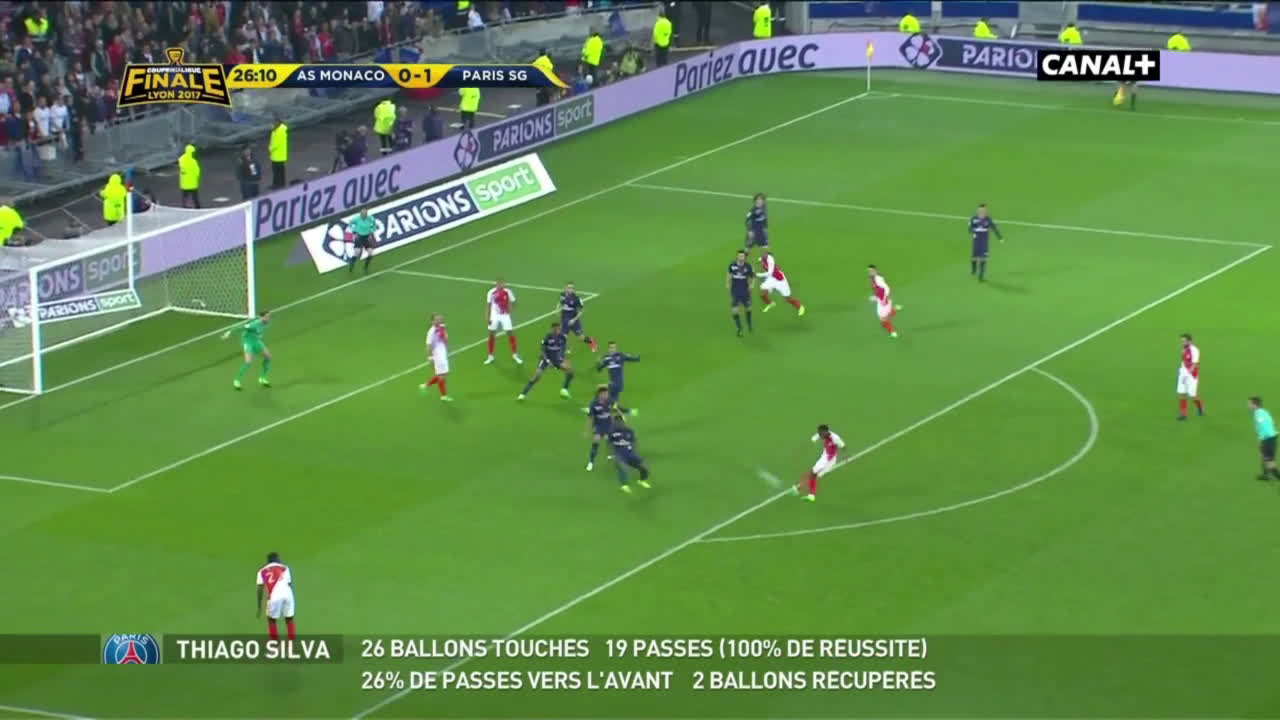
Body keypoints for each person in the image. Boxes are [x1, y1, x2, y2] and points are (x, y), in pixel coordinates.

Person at [518, 321, 574, 400]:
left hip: (556, 359)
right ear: (552, 329)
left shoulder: (562, 337)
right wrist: (548, 361)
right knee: (536, 377)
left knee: (570, 371)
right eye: (555, 329)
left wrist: (563, 355)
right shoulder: (547, 337)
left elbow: (565, 344)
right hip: (545, 359)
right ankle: (523, 394)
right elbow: (543, 351)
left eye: (558, 329)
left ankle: (564, 389)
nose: (556, 331)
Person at [793, 425, 845, 502]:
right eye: (819, 433)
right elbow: (814, 438)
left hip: (828, 460)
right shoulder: (820, 434)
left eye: (821, 433)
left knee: (813, 473)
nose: (820, 435)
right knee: (814, 476)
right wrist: (816, 441)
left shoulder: (835, 438)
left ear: (826, 432)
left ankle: (800, 489)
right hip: (826, 457)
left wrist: (845, 456)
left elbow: (843, 446)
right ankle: (806, 492)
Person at [224, 310, 272, 390]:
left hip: (256, 341)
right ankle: (236, 380)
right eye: (267, 317)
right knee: (248, 361)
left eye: (269, 316)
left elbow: (259, 332)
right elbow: (240, 327)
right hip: (248, 342)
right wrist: (229, 332)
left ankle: (262, 378)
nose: (268, 318)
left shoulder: (266, 323)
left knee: (268, 357)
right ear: (261, 317)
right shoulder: (253, 325)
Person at [256, 552, 296, 641]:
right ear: (277, 559)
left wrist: (259, 606)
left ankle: (274, 643)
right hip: (288, 593)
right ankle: (291, 642)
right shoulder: (285, 568)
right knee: (289, 618)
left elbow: (260, 589)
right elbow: (289, 584)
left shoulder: (261, 571)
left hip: (274, 595)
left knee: (271, 620)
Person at [608, 412, 651, 493]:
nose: (618, 424)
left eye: (620, 422)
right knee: (623, 469)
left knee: (644, 467)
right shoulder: (612, 432)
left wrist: (632, 449)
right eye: (616, 422)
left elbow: (633, 441)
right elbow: (610, 444)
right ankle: (624, 486)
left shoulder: (629, 431)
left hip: (630, 454)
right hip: (619, 455)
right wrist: (612, 454)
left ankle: (642, 480)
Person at [484, 278, 522, 366]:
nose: (502, 285)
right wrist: (487, 317)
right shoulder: (491, 292)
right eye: (500, 284)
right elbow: (488, 305)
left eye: (503, 284)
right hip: (494, 315)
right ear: (496, 284)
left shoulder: (508, 292)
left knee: (510, 333)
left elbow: (514, 302)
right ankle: (490, 356)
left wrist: (510, 310)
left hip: (505, 315)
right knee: (491, 334)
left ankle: (515, 355)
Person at [597, 341, 639, 415]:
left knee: (605, 396)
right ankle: (626, 411)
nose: (612, 349)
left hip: (618, 383)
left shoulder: (620, 355)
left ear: (616, 348)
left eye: (614, 347)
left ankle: (625, 411)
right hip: (612, 383)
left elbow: (633, 358)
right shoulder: (606, 358)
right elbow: (599, 369)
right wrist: (598, 364)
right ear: (608, 348)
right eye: (611, 347)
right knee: (612, 402)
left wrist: (637, 357)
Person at [757, 250, 804, 316]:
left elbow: (769, 273)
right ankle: (770, 304)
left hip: (779, 279)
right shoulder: (762, 259)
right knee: (762, 294)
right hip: (771, 278)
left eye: (764, 253)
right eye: (761, 253)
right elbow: (763, 264)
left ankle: (800, 307)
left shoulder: (770, 260)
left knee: (788, 298)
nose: (763, 255)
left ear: (767, 254)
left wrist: (757, 275)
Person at [421, 313, 453, 402]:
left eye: (439, 319)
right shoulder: (431, 332)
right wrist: (429, 356)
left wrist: (444, 330)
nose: (438, 321)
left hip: (443, 353)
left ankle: (425, 385)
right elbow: (428, 345)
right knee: (441, 375)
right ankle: (443, 396)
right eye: (436, 319)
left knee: (443, 374)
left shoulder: (441, 328)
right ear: (432, 321)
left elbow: (445, 339)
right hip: (437, 355)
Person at [558, 283, 598, 352]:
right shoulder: (562, 295)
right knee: (563, 336)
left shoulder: (577, 299)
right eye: (568, 288)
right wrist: (558, 309)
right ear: (566, 288)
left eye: (571, 288)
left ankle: (591, 341)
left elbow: (581, 311)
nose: (570, 289)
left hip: (574, 319)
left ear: (574, 290)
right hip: (564, 318)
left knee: (581, 337)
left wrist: (574, 320)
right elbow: (561, 303)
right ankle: (566, 349)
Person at [968, 203, 1003, 281]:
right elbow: (969, 228)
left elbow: (994, 228)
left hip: (984, 240)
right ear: (977, 210)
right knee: (974, 257)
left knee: (983, 257)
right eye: (980, 210)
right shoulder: (973, 218)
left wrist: (999, 238)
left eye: (983, 210)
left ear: (985, 211)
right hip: (976, 240)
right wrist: (973, 232)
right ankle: (974, 268)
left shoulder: (988, 219)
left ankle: (981, 275)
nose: (982, 211)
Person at [1250, 397, 1280, 481]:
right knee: (1263, 456)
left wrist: (1263, 438)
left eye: (1250, 404)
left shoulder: (1259, 414)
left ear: (1255, 405)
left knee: (1269, 462)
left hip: (1268, 439)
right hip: (1270, 438)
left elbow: (1263, 424)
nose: (1249, 406)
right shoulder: (1263, 412)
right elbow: (1270, 422)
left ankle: (1276, 475)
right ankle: (1265, 474)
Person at [867, 265, 901, 338]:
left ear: (875, 271)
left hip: (883, 302)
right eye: (869, 271)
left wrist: (876, 298)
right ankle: (894, 309)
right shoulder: (873, 279)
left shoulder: (878, 280)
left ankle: (893, 332)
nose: (870, 272)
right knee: (886, 314)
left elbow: (884, 290)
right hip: (884, 300)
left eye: (872, 271)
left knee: (883, 320)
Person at [727, 249, 754, 336]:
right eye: (739, 256)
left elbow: (752, 276)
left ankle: (749, 323)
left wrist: (751, 285)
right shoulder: (732, 265)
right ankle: (739, 329)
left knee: (748, 308)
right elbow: (729, 274)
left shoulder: (748, 266)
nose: (741, 257)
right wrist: (728, 283)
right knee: (734, 310)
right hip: (735, 290)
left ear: (744, 257)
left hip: (745, 290)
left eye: (742, 256)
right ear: (737, 256)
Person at [585, 386, 612, 471]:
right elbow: (590, 417)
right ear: (600, 394)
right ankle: (591, 462)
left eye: (607, 394)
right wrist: (587, 430)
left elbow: (616, 409)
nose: (606, 395)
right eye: (605, 394)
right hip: (599, 425)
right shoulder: (594, 403)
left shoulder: (609, 401)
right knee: (596, 440)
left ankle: (610, 453)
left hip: (608, 424)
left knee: (608, 439)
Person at [1177, 333, 1204, 421]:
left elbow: (1195, 364)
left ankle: (1200, 407)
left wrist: (1188, 374)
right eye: (1182, 341)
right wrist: (1181, 372)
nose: (1182, 343)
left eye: (1184, 341)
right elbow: (1184, 361)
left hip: (1191, 376)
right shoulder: (1184, 349)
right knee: (1182, 393)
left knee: (1192, 395)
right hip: (1183, 373)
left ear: (1189, 341)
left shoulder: (1195, 350)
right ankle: (1183, 414)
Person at [344, 208, 377, 274]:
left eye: (365, 214)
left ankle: (365, 266)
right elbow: (350, 223)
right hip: (359, 236)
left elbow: (374, 225)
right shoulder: (357, 219)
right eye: (362, 214)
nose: (364, 215)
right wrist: (354, 230)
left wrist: (371, 231)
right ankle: (351, 264)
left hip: (367, 236)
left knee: (370, 253)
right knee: (357, 252)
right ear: (361, 214)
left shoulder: (370, 218)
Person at [178, 144, 200, 208]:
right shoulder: (193, 161)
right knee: (194, 197)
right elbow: (197, 171)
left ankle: (185, 207)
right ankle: (197, 207)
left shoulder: (181, 159)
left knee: (185, 197)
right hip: (192, 183)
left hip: (184, 183)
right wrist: (197, 178)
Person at [269, 116, 288, 189]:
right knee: (281, 170)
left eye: (273, 122)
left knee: (276, 171)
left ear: (277, 122)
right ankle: (281, 183)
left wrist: (270, 149)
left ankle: (277, 184)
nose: (272, 124)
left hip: (276, 155)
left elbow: (275, 143)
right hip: (281, 154)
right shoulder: (281, 130)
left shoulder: (278, 131)